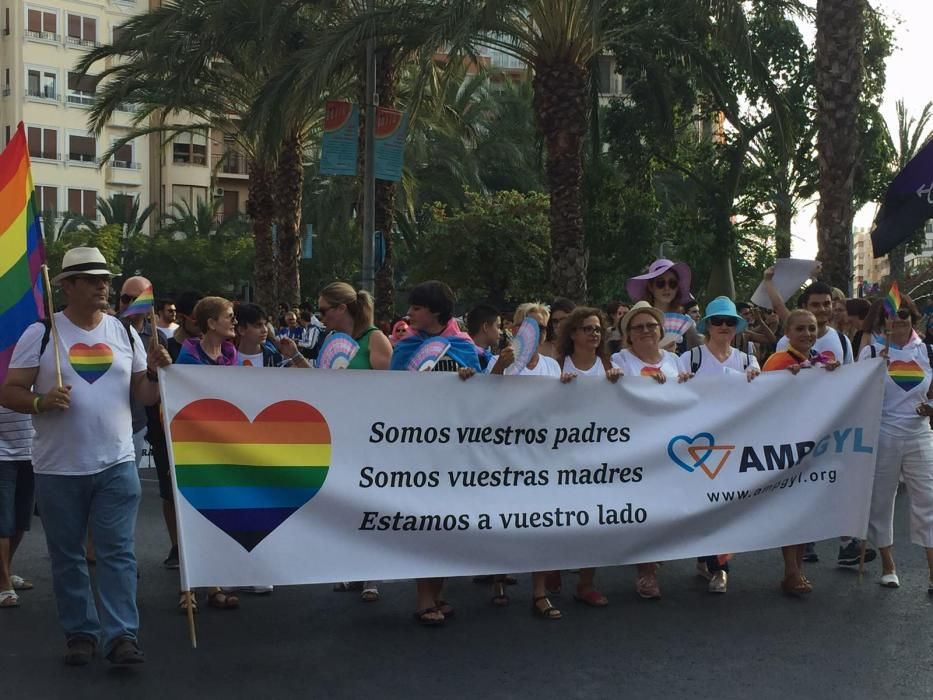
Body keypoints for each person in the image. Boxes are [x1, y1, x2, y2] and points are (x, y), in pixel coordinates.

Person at [0, 247, 171, 665]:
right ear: (68, 286)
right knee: (67, 555)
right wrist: (41, 402)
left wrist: (153, 373)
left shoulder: (124, 332)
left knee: (118, 552)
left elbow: (144, 396)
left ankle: (121, 636)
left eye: (106, 279)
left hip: (117, 463)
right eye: (93, 279)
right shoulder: (40, 334)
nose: (103, 286)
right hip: (58, 468)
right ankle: (80, 632)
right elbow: (9, 391)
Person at [762, 269, 874, 565]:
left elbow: (850, 378)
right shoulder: (783, 350)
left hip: (831, 426)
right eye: (815, 305)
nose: (822, 310)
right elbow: (768, 388)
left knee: (832, 480)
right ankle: (802, 548)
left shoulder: (841, 340)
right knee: (800, 486)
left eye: (827, 304)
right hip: (795, 431)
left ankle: (846, 541)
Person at [391, 281, 481, 625]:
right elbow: (392, 391)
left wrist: (470, 378)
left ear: (436, 312)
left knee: (448, 524)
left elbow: (481, 396)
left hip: (455, 449)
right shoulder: (406, 345)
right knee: (427, 523)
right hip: (418, 447)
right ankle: (424, 597)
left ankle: (438, 593)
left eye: (416, 308)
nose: (410, 313)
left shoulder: (464, 346)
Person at [485, 303, 562, 619]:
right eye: (529, 325)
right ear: (514, 328)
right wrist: (499, 369)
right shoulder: (497, 360)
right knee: (501, 522)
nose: (536, 332)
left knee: (540, 524)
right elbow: (482, 403)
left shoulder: (552, 367)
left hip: (540, 456)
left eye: (542, 327)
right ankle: (498, 579)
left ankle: (539, 592)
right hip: (503, 455)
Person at [678, 297, 759, 593]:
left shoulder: (748, 360)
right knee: (705, 506)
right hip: (698, 445)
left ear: (736, 326)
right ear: (708, 326)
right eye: (717, 321)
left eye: (729, 322)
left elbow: (764, 397)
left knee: (725, 506)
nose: (723, 327)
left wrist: (757, 381)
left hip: (734, 445)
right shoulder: (690, 359)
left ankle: (719, 568)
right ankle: (707, 560)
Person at [318, 282, 392, 602]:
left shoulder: (374, 338)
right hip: (340, 433)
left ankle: (371, 575)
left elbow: (392, 386)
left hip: (371, 434)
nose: (320, 317)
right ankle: (350, 569)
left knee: (370, 504)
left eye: (323, 310)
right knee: (346, 504)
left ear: (341, 309)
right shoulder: (333, 340)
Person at [611, 301, 691, 598]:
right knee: (643, 507)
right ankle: (645, 573)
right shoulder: (619, 360)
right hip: (637, 445)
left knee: (666, 506)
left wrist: (685, 384)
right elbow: (614, 392)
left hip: (671, 444)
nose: (645, 331)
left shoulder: (675, 361)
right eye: (638, 327)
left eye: (651, 326)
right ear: (628, 334)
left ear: (660, 331)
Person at [762, 309, 840, 596]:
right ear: (787, 333)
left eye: (812, 328)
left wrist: (837, 374)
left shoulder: (823, 361)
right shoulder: (778, 361)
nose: (807, 333)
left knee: (804, 507)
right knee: (790, 507)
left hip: (814, 442)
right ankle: (791, 571)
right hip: (785, 444)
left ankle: (797, 569)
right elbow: (762, 400)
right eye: (801, 329)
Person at [859, 294, 933, 593]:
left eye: (903, 312)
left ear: (912, 317)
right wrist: (874, 369)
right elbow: (856, 395)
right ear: (882, 320)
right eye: (890, 312)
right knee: (880, 500)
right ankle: (888, 565)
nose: (897, 317)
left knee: (929, 502)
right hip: (884, 434)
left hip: (920, 434)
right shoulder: (871, 352)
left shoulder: (928, 351)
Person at [552, 306, 622, 607]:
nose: (594, 333)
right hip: (558, 456)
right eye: (587, 328)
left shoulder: (610, 366)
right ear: (572, 334)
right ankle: (550, 566)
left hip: (598, 457)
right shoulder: (555, 366)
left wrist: (622, 384)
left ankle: (586, 582)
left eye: (597, 329)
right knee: (554, 517)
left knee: (593, 519)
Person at [0, 405, 35, 608]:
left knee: (22, 519)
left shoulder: (31, 371)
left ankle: (6, 569)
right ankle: (3, 582)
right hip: (2, 454)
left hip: (30, 451)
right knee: (3, 522)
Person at [626, 259, 701, 350]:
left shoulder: (686, 325)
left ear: (677, 288)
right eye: (660, 283)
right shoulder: (637, 321)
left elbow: (698, 357)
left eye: (672, 283)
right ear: (650, 287)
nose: (667, 288)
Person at [235, 303, 309, 369]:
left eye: (265, 324)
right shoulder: (227, 357)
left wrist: (295, 355)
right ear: (241, 330)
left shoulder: (274, 357)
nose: (265, 330)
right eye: (258, 325)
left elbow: (311, 377)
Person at [175, 297, 239, 367]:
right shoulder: (188, 359)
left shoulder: (230, 353)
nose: (235, 322)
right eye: (230, 317)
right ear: (212, 323)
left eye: (234, 318)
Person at [466, 303, 500, 370]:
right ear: (486, 327)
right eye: (498, 326)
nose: (500, 332)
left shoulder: (463, 352)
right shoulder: (464, 358)